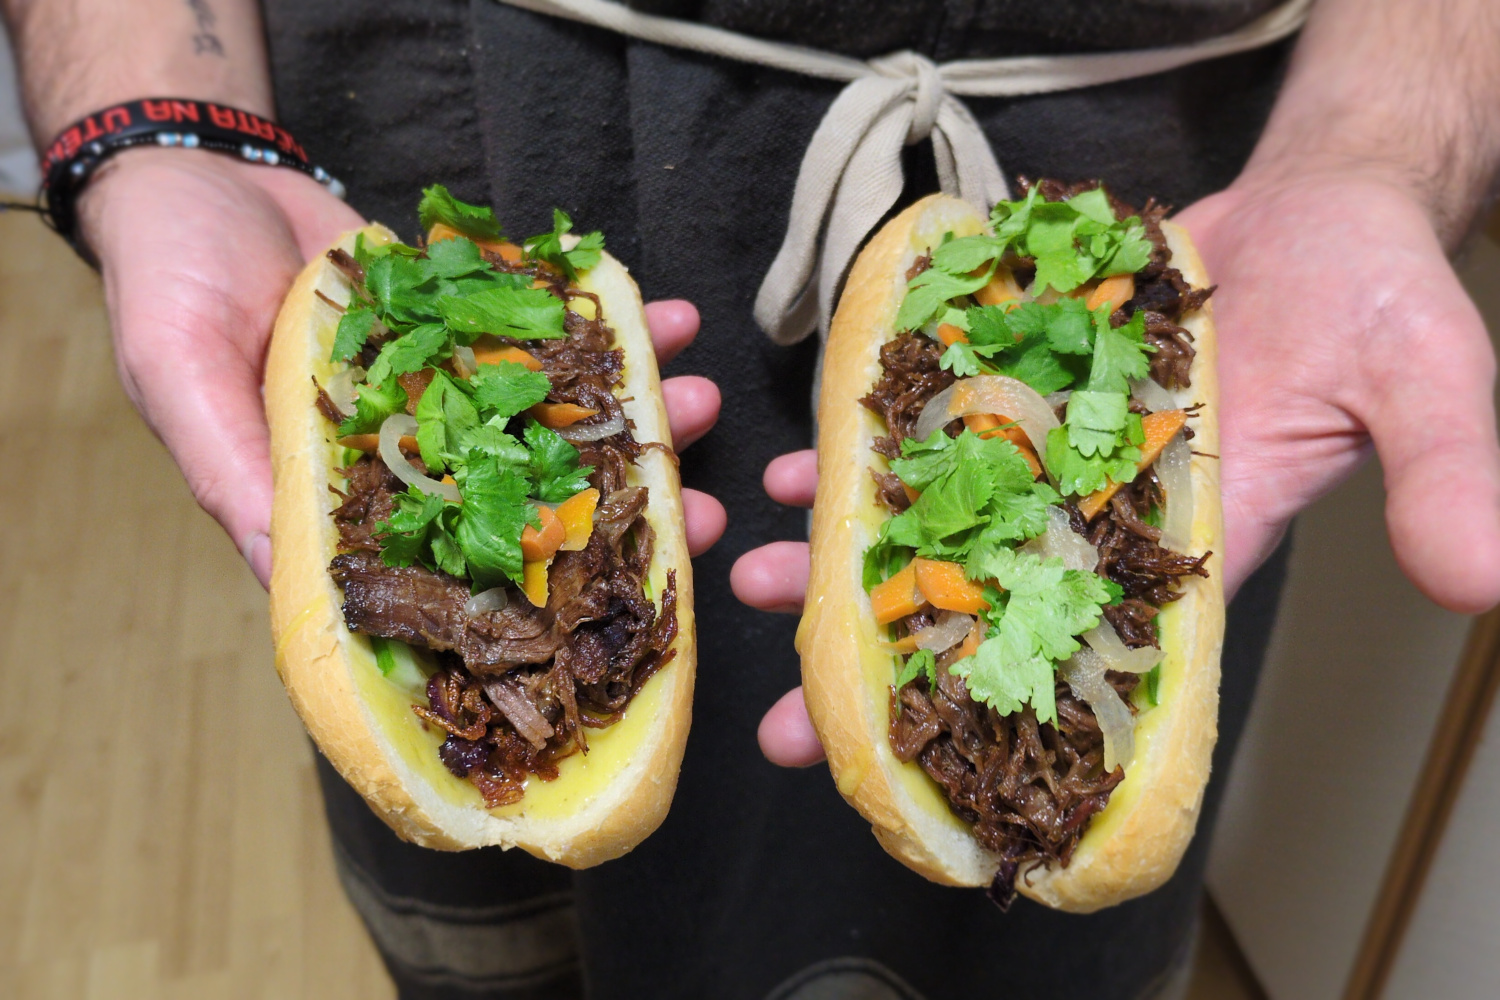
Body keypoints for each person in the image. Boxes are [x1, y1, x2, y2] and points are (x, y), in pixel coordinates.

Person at [4, 0, 1497, 997]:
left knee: (1015, 957)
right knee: (503, 934)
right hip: (455, 116)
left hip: (1172, 145)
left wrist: (1374, 148)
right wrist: (161, 122)